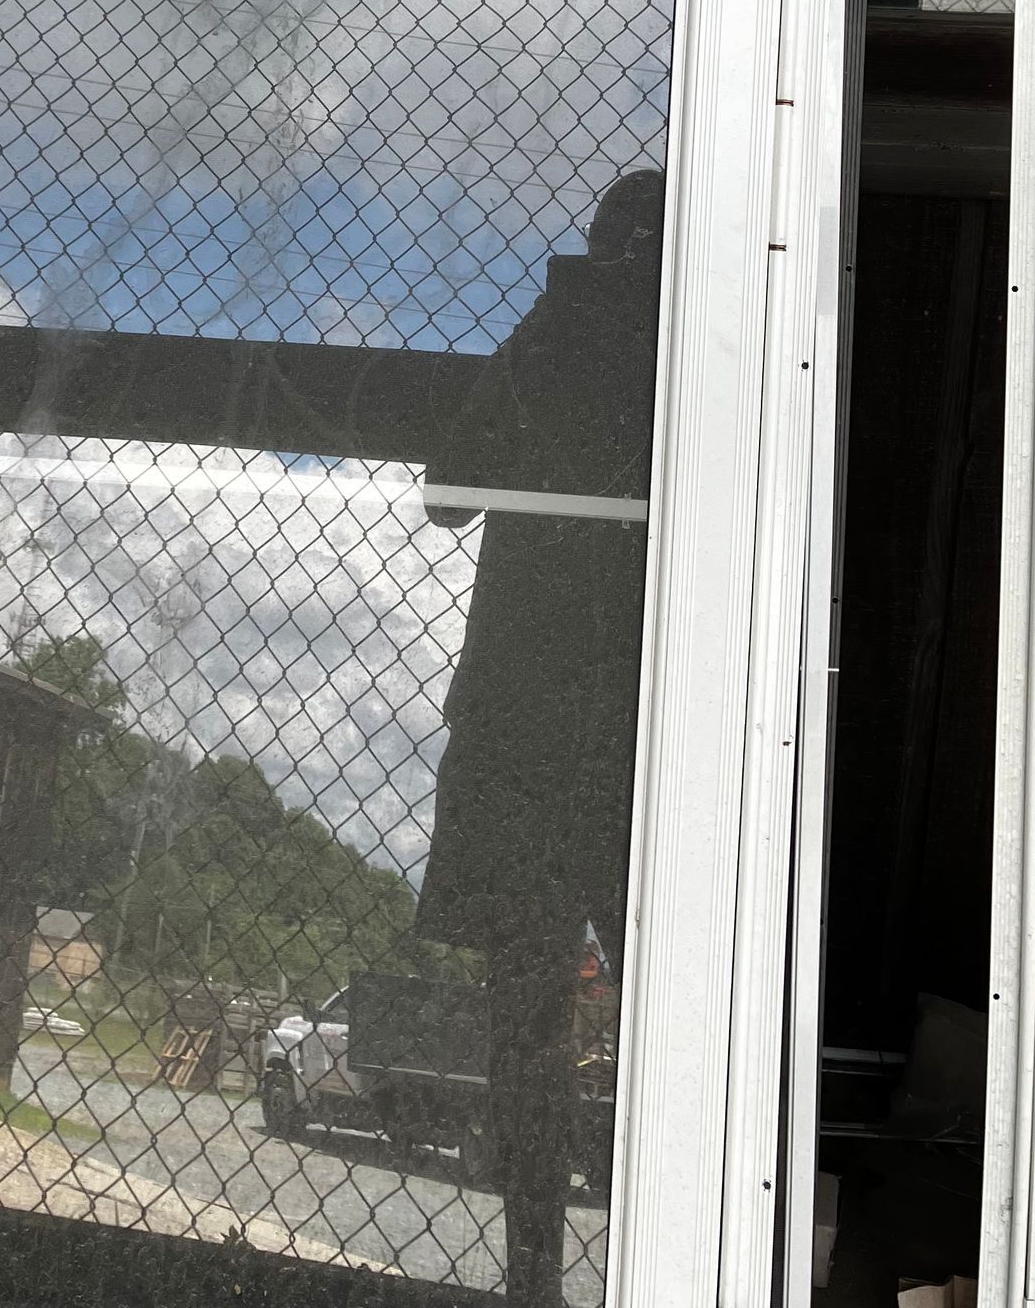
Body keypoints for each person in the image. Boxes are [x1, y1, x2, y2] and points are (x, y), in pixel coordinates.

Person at [418, 169, 664, 1308]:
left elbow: (447, 493)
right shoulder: (692, 348)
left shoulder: (549, 338)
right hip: (636, 714)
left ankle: (533, 1270)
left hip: (524, 714)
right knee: (669, 982)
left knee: (526, 1010)